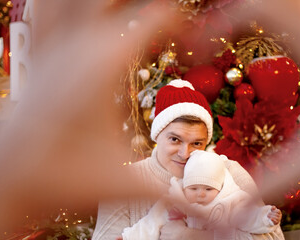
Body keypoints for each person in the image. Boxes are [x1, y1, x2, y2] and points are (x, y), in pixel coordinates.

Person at [92, 79, 284, 240]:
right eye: (175, 140)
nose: (185, 154)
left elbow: (273, 236)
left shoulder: (230, 172)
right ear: (157, 135)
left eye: (197, 143)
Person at [120, 150, 282, 240]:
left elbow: (250, 216)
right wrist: (128, 237)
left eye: (208, 189)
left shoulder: (231, 201)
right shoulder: (175, 203)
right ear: (185, 187)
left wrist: (266, 216)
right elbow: (152, 222)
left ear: (219, 188)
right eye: (194, 189)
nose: (201, 194)